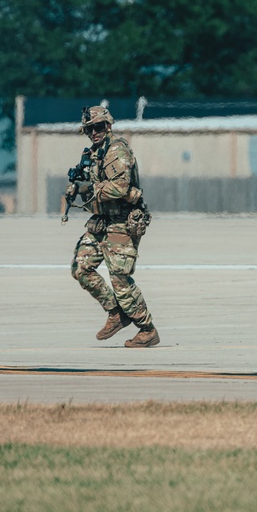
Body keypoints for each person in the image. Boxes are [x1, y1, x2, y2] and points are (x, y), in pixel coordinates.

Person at [69, 106, 158, 348]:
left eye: (98, 127)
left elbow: (120, 187)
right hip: (101, 222)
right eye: (90, 129)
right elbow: (94, 183)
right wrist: (77, 188)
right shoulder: (95, 153)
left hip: (122, 222)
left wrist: (90, 189)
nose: (94, 132)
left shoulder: (117, 150)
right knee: (81, 268)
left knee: (120, 279)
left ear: (108, 126)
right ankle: (116, 313)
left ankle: (146, 328)